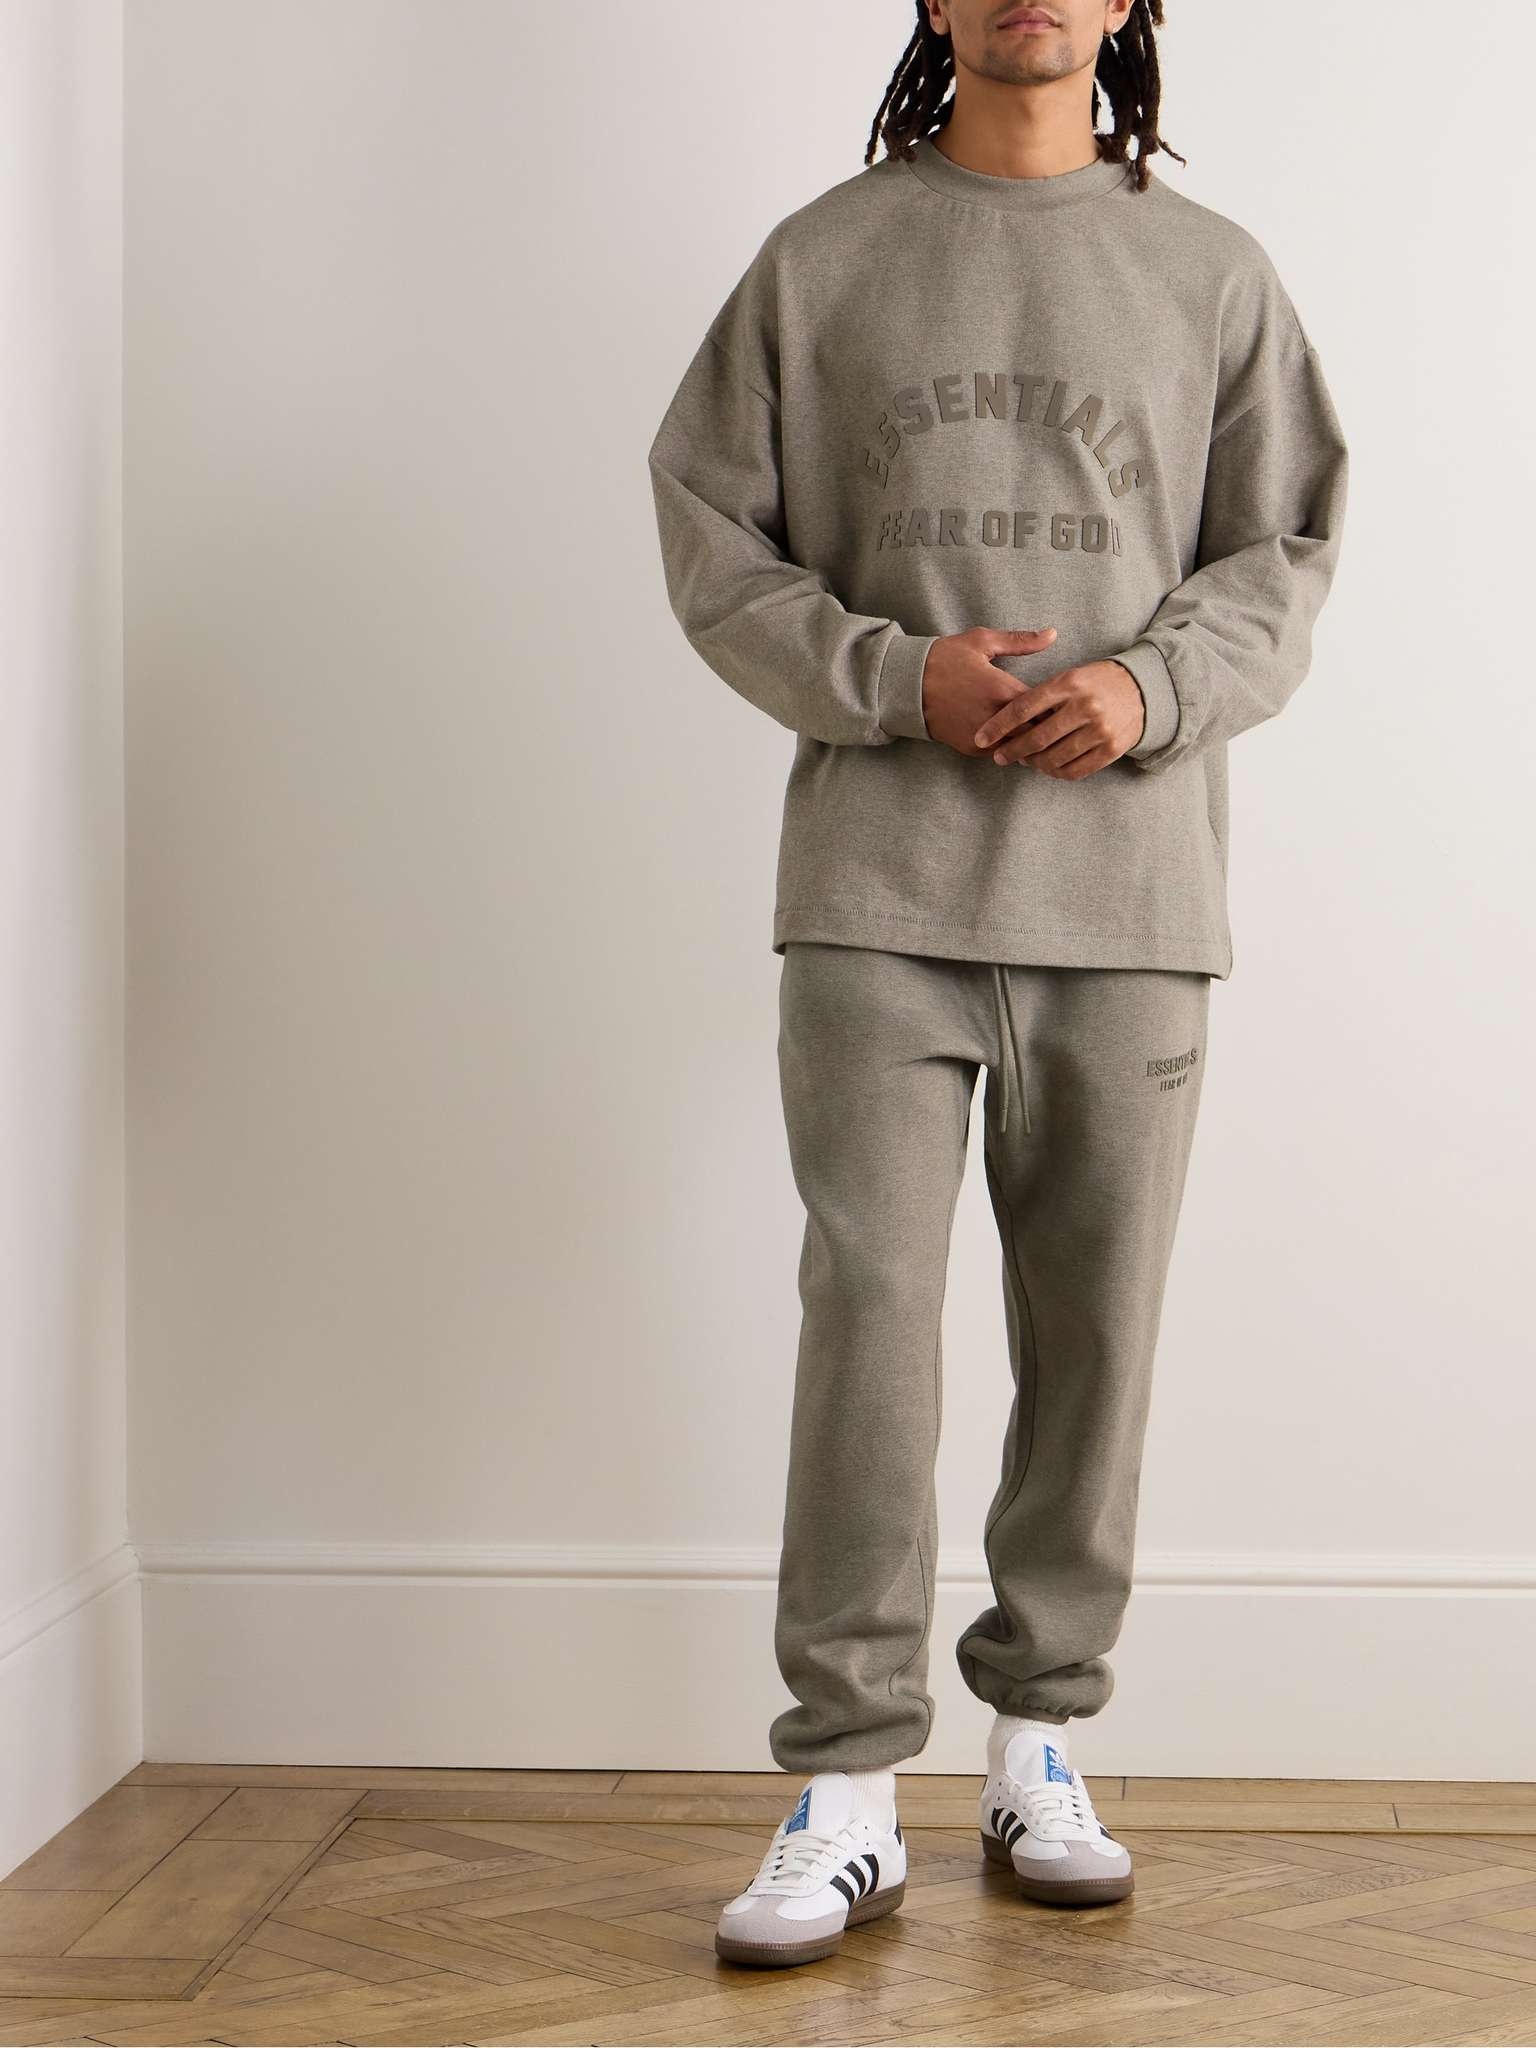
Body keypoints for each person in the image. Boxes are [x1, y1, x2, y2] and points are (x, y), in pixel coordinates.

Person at [647, 0, 1348, 1971]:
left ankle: (1041, 1743)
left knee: (1095, 1335)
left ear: (1128, 4)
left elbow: (1287, 550)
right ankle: (848, 1786)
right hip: (876, 892)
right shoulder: (822, 261)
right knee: (869, 1323)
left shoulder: (1212, 274)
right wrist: (895, 678)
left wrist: (1149, 688)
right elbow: (712, 536)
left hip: (1131, 902)